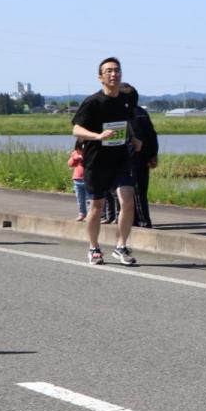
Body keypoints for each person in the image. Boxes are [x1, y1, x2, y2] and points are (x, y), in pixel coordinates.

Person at [71, 56, 141, 266]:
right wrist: (98, 136)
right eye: (109, 71)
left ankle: (121, 247)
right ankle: (94, 248)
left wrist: (134, 138)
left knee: (127, 201)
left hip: (120, 159)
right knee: (97, 206)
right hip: (96, 160)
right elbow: (76, 129)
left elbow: (126, 122)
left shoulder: (125, 100)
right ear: (100, 77)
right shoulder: (92, 102)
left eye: (117, 70)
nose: (114, 74)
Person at [122, 83, 159, 228]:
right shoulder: (142, 112)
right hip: (144, 157)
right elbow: (152, 135)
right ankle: (138, 220)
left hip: (132, 157)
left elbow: (137, 138)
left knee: (134, 191)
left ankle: (142, 222)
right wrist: (153, 155)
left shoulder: (130, 115)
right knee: (140, 191)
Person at [67, 141, 87, 221]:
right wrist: (75, 158)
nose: (80, 152)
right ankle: (82, 213)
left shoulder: (89, 154)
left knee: (89, 200)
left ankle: (90, 215)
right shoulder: (75, 154)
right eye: (78, 149)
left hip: (87, 180)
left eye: (81, 150)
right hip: (77, 179)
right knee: (80, 199)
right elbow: (70, 164)